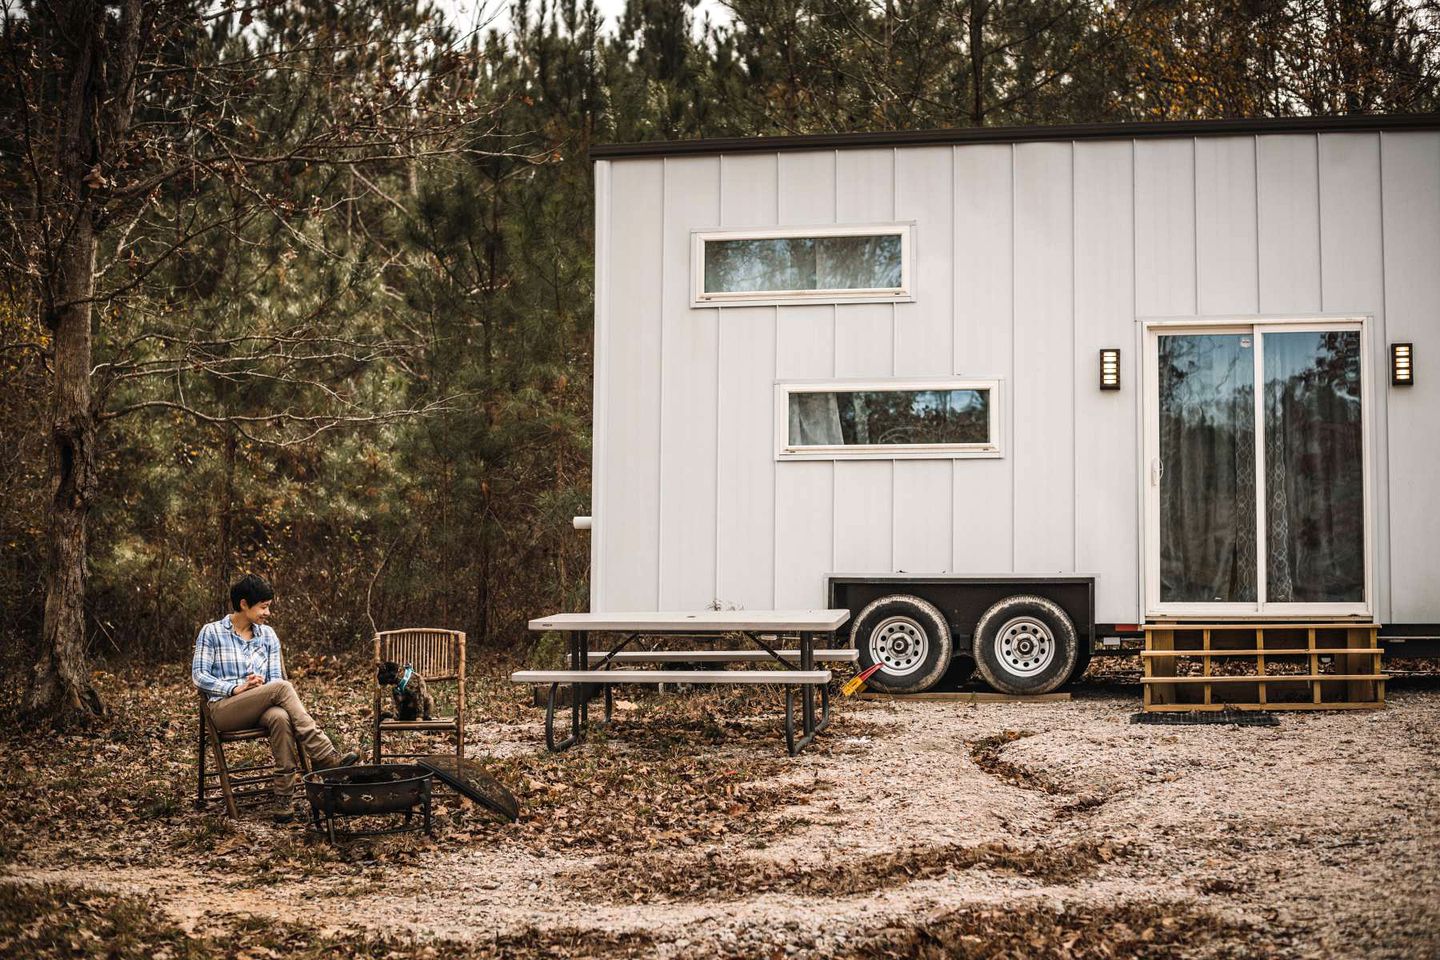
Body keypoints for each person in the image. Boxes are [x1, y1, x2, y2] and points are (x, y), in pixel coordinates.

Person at [193, 574, 358, 821]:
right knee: (282, 688)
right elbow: (199, 676)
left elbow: (273, 681)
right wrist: (235, 688)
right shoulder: (212, 632)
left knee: (280, 716)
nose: (268, 612)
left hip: (260, 707)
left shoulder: (268, 636)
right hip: (223, 710)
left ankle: (283, 799)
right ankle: (323, 754)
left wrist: (258, 687)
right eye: (264, 606)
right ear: (244, 604)